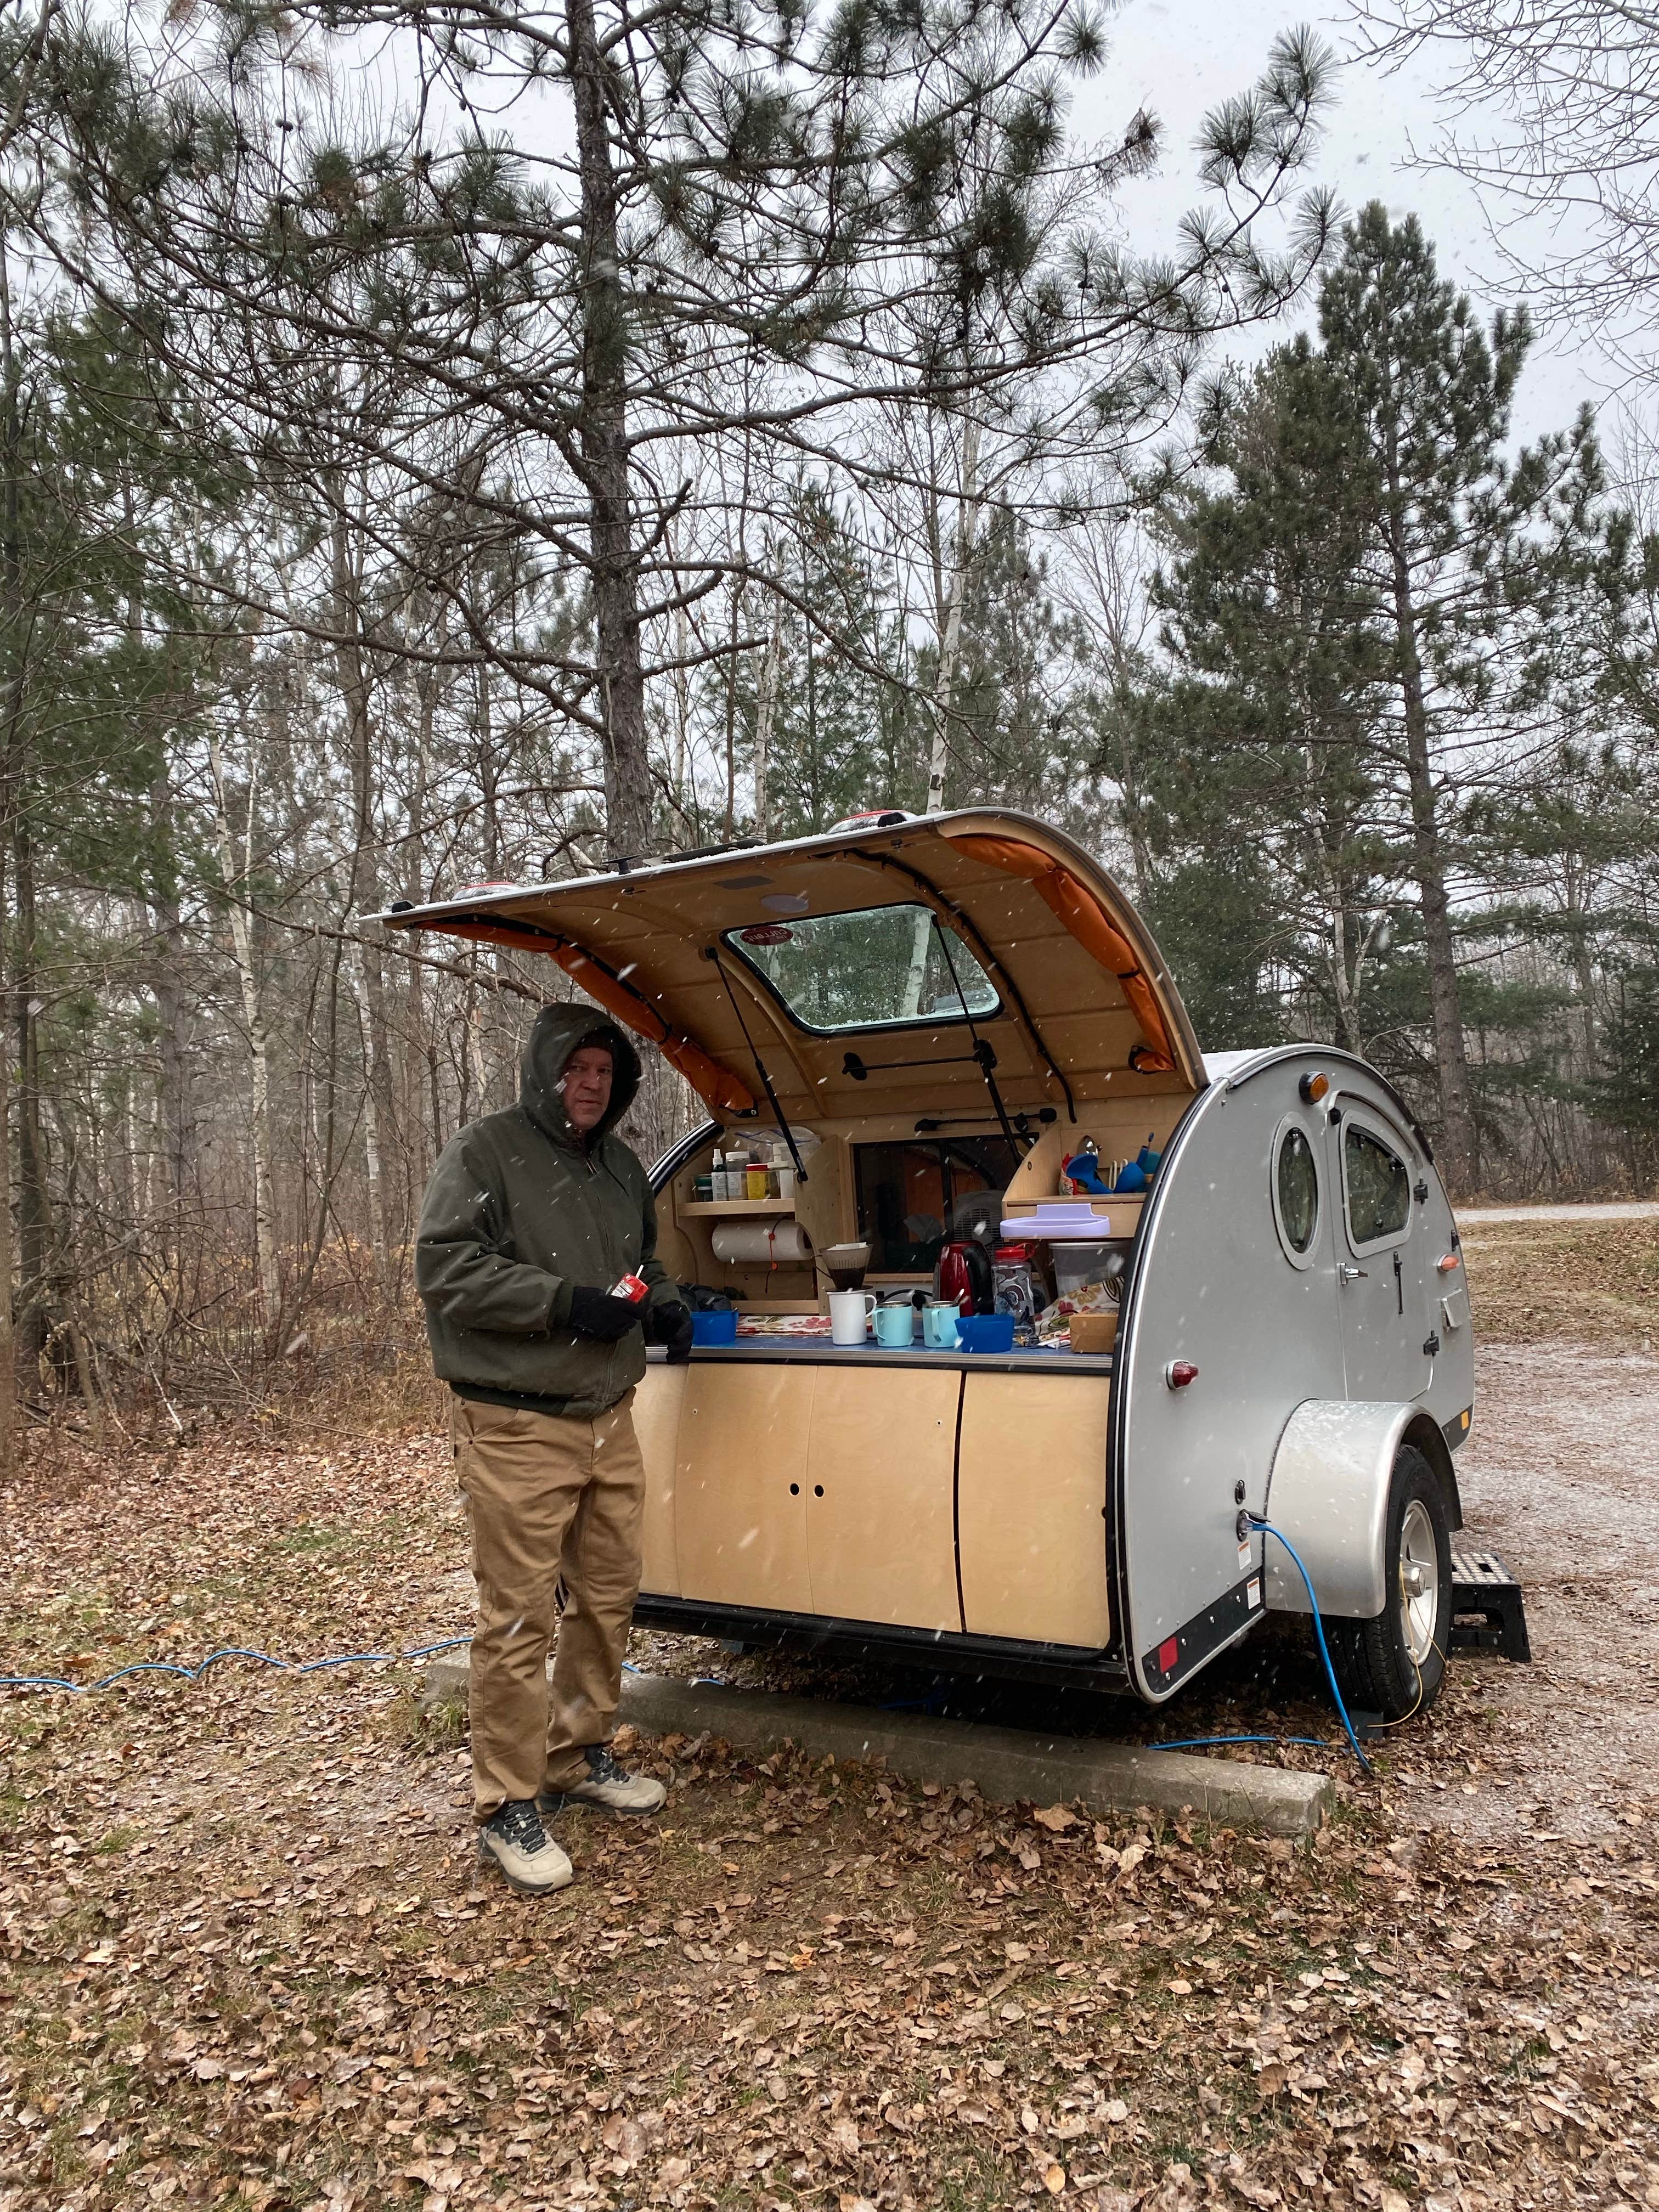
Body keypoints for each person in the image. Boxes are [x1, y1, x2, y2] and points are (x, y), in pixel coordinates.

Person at [416, 1005, 695, 1894]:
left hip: (609, 1414)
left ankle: (577, 1753)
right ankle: (507, 1802)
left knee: (608, 1596)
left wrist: (662, 1302)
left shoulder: (619, 1166)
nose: (590, 1085)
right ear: (545, 1071)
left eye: (604, 1073)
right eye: (576, 1069)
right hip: (516, 1421)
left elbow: (640, 1262)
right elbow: (446, 1269)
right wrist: (563, 1304)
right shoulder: (486, 1153)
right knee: (518, 1617)